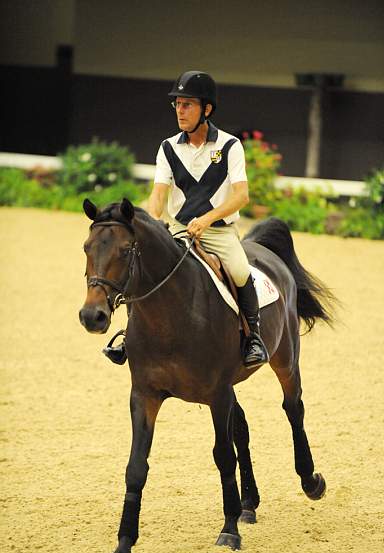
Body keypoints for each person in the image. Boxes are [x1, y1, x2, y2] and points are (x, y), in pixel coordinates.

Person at [104, 70, 268, 368]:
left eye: (187, 104)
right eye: (177, 104)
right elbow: (158, 196)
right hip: (179, 229)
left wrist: (206, 219)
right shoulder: (168, 147)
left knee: (241, 270)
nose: (180, 111)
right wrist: (150, 221)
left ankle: (253, 337)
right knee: (144, 268)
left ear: (206, 109)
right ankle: (130, 336)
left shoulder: (230, 146)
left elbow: (241, 196)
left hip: (218, 232)